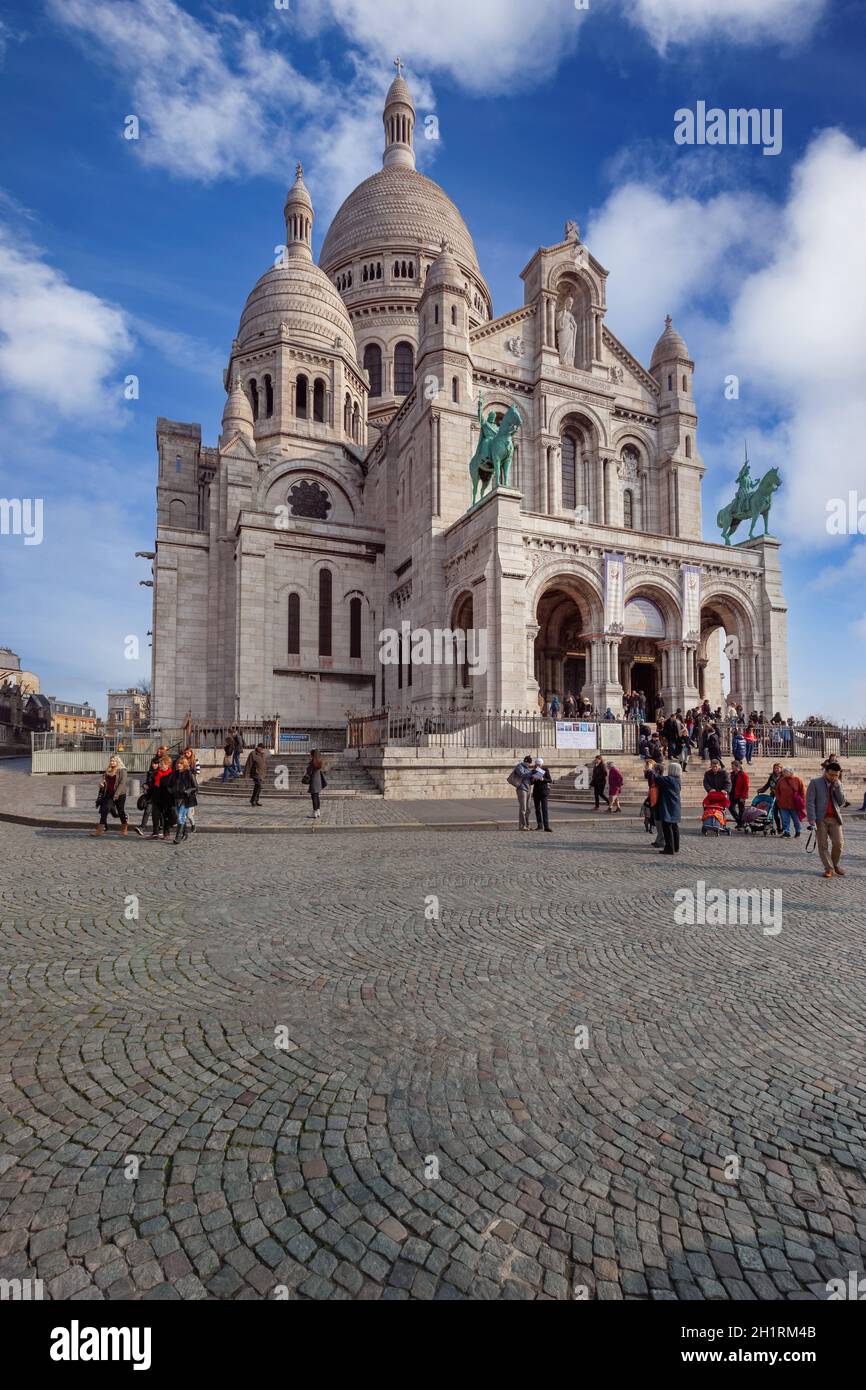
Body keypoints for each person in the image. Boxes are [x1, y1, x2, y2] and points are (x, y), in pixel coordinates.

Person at [806, 761, 846, 878]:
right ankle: (829, 868)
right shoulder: (815, 783)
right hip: (820, 819)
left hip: (835, 818)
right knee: (823, 845)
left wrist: (837, 787)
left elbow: (841, 802)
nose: (834, 777)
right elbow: (810, 802)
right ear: (826, 772)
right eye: (832, 775)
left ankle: (834, 865)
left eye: (836, 775)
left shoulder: (838, 783)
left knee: (839, 844)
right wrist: (812, 819)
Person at [90, 755, 129, 836]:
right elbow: (104, 781)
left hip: (120, 794)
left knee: (120, 811)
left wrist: (117, 794)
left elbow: (122, 783)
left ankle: (124, 829)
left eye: (113, 761)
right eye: (111, 761)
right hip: (109, 794)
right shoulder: (108, 770)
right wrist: (102, 784)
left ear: (117, 762)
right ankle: (100, 830)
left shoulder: (122, 771)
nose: (111, 762)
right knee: (104, 809)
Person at [169, 754, 198, 844]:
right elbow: (169, 785)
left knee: (180, 817)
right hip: (176, 798)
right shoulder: (175, 774)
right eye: (178, 763)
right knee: (178, 817)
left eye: (181, 763)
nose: (178, 765)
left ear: (184, 764)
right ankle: (185, 833)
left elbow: (195, 787)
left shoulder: (189, 773)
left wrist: (187, 791)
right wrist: (171, 790)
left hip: (186, 799)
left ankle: (178, 837)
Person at [656, 760, 682, 855]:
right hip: (675, 806)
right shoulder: (677, 779)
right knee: (674, 827)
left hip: (668, 806)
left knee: (667, 827)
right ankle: (676, 847)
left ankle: (669, 848)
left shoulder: (669, 779)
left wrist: (651, 770)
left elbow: (657, 778)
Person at [149, 753, 175, 840]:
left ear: (168, 764)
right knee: (155, 815)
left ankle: (166, 833)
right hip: (156, 798)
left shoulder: (172, 774)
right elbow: (152, 785)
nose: (161, 765)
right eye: (160, 764)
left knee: (165, 817)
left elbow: (171, 786)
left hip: (167, 799)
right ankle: (155, 833)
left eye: (163, 764)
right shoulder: (156, 773)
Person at [774, 766, 805, 838]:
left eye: (786, 772)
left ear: (791, 772)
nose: (784, 773)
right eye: (784, 772)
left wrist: (803, 801)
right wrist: (778, 800)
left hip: (794, 804)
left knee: (796, 819)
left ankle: (798, 830)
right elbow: (777, 791)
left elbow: (802, 791)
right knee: (785, 820)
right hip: (783, 804)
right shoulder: (781, 781)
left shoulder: (798, 780)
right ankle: (786, 832)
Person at [757, 762, 784, 834]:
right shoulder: (772, 777)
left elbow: (785, 788)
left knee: (782, 814)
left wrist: (778, 792)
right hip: (773, 796)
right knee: (774, 813)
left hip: (781, 797)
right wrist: (761, 790)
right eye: (775, 768)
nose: (776, 770)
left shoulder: (784, 777)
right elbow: (767, 785)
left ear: (781, 769)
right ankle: (778, 828)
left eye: (778, 768)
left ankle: (784, 828)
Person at [509, 754, 534, 830]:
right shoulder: (519, 766)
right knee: (523, 808)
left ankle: (527, 824)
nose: (529, 765)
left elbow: (529, 779)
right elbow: (522, 774)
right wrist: (532, 772)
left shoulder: (528, 768)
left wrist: (534, 777)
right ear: (526, 761)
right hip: (522, 788)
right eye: (528, 763)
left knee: (528, 808)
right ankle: (522, 826)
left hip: (529, 788)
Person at [531, 757, 552, 831]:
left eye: (539, 764)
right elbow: (531, 782)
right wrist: (533, 779)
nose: (538, 766)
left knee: (544, 809)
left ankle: (546, 826)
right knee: (537, 809)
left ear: (542, 764)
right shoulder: (533, 771)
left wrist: (543, 779)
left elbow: (550, 780)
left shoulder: (545, 770)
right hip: (536, 793)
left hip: (543, 792)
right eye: (537, 764)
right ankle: (539, 825)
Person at [304, 750, 326, 820]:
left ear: (313, 755)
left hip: (313, 782)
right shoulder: (319, 762)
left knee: (314, 797)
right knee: (317, 796)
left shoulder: (312, 763)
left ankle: (314, 812)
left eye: (311, 754)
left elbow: (309, 773)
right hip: (318, 782)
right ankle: (318, 811)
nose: (310, 755)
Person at [245, 743, 268, 807]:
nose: (262, 749)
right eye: (261, 748)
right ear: (258, 747)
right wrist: (246, 774)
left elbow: (263, 764)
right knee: (258, 786)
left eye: (263, 748)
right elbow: (248, 764)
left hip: (261, 774)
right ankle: (253, 800)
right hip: (255, 773)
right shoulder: (253, 754)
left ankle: (255, 800)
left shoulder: (263, 754)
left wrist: (264, 773)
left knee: (258, 787)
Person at [730, 760, 750, 829]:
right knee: (731, 807)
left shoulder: (744, 775)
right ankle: (739, 821)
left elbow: (746, 787)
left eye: (732, 766)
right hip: (732, 794)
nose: (731, 767)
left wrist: (743, 797)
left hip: (741, 795)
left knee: (741, 810)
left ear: (737, 766)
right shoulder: (732, 774)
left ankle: (741, 823)